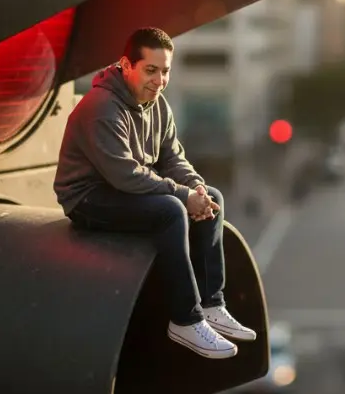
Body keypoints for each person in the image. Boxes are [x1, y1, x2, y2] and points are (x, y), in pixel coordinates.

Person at [54, 27, 257, 360]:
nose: (160, 79)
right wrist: (182, 196)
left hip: (126, 190)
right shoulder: (102, 107)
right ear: (126, 65)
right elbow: (125, 176)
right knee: (170, 211)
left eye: (166, 71)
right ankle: (185, 319)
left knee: (214, 200)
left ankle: (211, 305)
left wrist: (196, 188)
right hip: (89, 198)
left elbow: (172, 157)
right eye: (151, 70)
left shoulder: (157, 104)